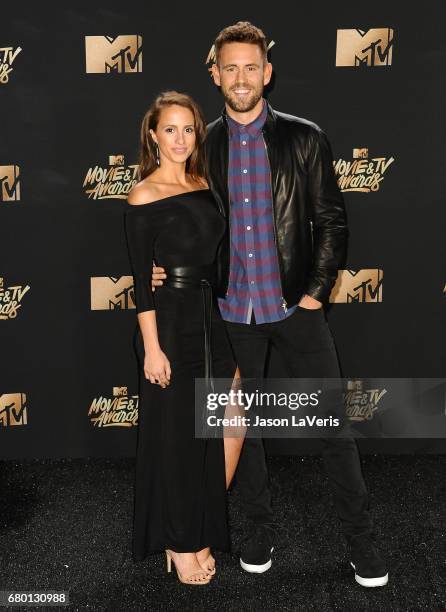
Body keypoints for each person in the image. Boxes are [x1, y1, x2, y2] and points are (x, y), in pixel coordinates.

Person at [151, 22, 389, 587]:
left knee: (333, 426)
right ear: (215, 74)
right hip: (229, 312)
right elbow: (182, 224)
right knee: (243, 433)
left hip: (293, 307)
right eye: (229, 67)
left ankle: (361, 544)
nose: (241, 78)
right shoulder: (200, 146)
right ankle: (257, 534)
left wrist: (316, 289)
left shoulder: (304, 138)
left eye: (250, 67)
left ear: (268, 72)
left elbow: (331, 218)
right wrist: (162, 266)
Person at [124, 91, 244, 585]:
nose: (179, 138)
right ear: (153, 135)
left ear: (198, 134)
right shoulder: (143, 194)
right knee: (177, 439)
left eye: (188, 129)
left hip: (208, 316)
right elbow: (138, 282)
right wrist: (152, 348)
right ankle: (181, 542)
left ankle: (201, 521)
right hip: (168, 323)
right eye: (169, 129)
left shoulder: (203, 181)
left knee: (228, 419)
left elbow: (218, 256)